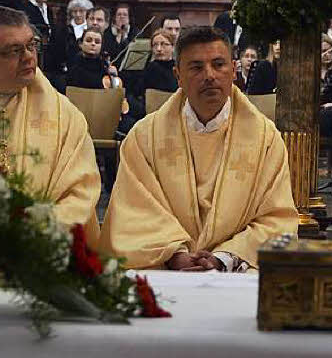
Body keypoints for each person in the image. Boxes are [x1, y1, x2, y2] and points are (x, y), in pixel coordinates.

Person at [101, 26, 297, 270]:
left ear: (234, 70)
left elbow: (276, 220)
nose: (209, 75)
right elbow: (132, 213)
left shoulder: (265, 139)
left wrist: (223, 258)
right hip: (164, 270)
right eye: (196, 67)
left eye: (218, 64)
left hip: (236, 273)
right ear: (178, 75)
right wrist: (174, 254)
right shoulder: (144, 137)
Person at [0, 6, 101, 236]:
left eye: (32, 45)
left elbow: (81, 190)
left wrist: (36, 230)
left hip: (43, 247)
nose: (29, 56)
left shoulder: (64, 115)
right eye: (14, 50)